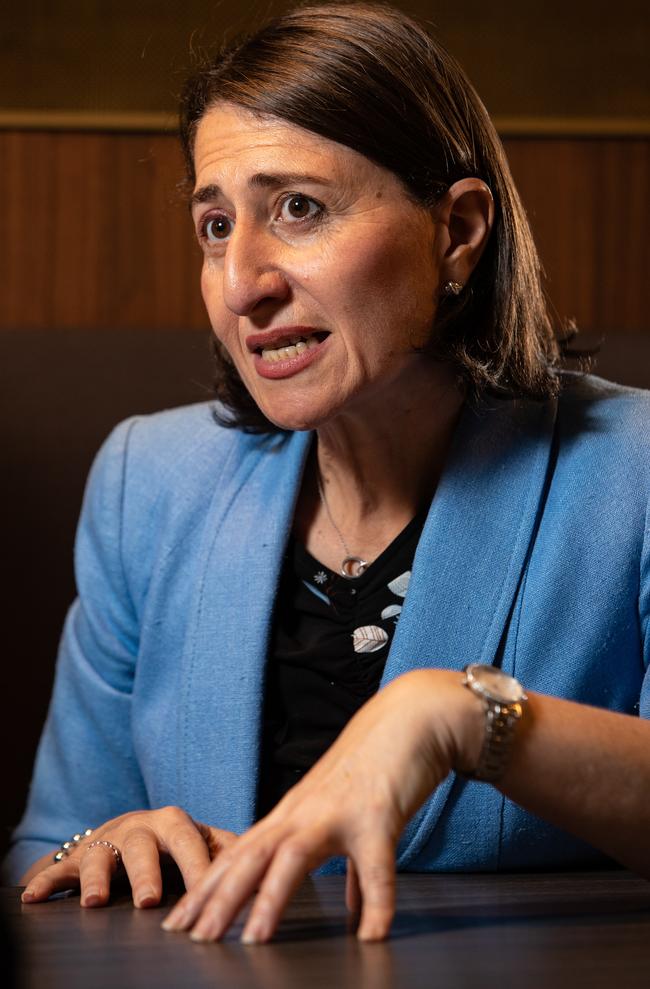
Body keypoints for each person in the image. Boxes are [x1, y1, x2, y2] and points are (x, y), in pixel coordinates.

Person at [7, 2, 650, 945]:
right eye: (215, 224)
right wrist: (109, 844)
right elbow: (46, 844)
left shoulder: (634, 470)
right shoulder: (147, 480)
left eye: (298, 209)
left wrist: (459, 716)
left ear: (459, 233)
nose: (241, 283)